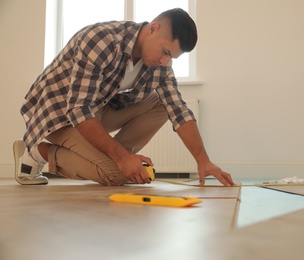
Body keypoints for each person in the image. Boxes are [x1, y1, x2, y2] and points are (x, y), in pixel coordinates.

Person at [13, 8, 235, 187]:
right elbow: (78, 109)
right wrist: (121, 159)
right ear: (153, 29)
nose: (166, 61)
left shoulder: (159, 66)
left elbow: (178, 109)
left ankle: (113, 162)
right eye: (166, 52)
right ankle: (36, 152)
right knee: (116, 175)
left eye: (172, 58)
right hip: (58, 113)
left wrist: (203, 161)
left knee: (162, 105)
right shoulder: (101, 40)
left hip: (94, 109)